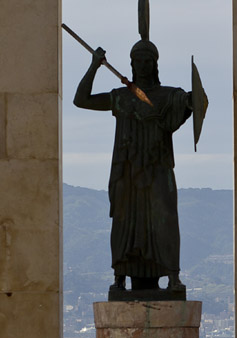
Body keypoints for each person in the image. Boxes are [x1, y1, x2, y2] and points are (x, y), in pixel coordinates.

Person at [73, 36, 192, 296]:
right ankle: (120, 276)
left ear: (155, 63)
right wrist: (94, 65)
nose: (143, 65)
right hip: (126, 170)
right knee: (124, 222)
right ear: (131, 63)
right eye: (138, 60)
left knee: (166, 220)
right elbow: (81, 100)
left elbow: (186, 107)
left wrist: (190, 102)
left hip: (158, 169)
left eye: (148, 60)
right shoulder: (121, 97)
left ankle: (173, 276)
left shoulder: (168, 95)